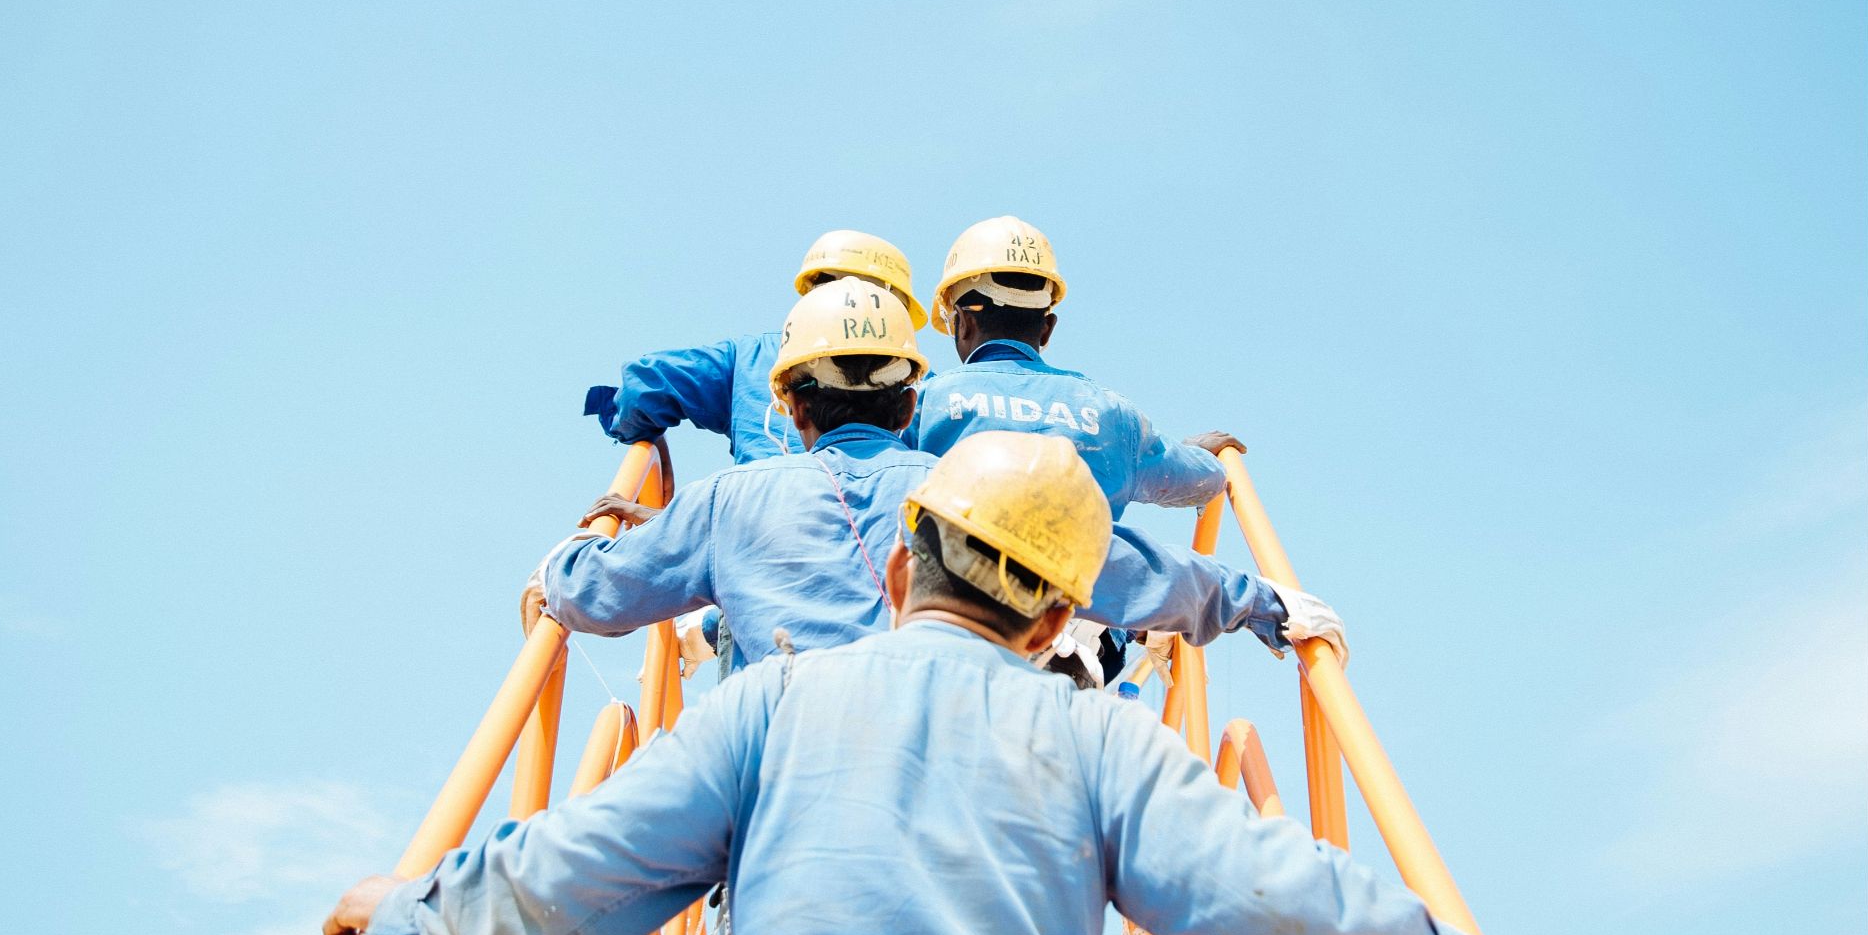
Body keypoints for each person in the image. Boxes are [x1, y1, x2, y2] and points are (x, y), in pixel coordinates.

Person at [323, 431, 1551, 935]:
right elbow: (1265, 899)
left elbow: (576, 876)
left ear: (903, 569)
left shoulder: (766, 708)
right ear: (1054, 620)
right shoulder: (1105, 739)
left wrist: (400, 919)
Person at [526, 280, 1342, 675]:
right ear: (911, 392)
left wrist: (573, 555)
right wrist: (1262, 602)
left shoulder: (725, 504)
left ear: (790, 402)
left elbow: (594, 595)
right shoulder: (972, 494)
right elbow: (1125, 568)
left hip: (779, 821)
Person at [913, 215, 1241, 520]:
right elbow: (1199, 479)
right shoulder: (1112, 414)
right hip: (1083, 582)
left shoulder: (925, 404)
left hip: (952, 580)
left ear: (964, 322)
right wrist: (1199, 454)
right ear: (1047, 328)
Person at [583, 229, 926, 464]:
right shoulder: (917, 383)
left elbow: (644, 387)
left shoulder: (746, 360)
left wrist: (647, 437)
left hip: (753, 538)